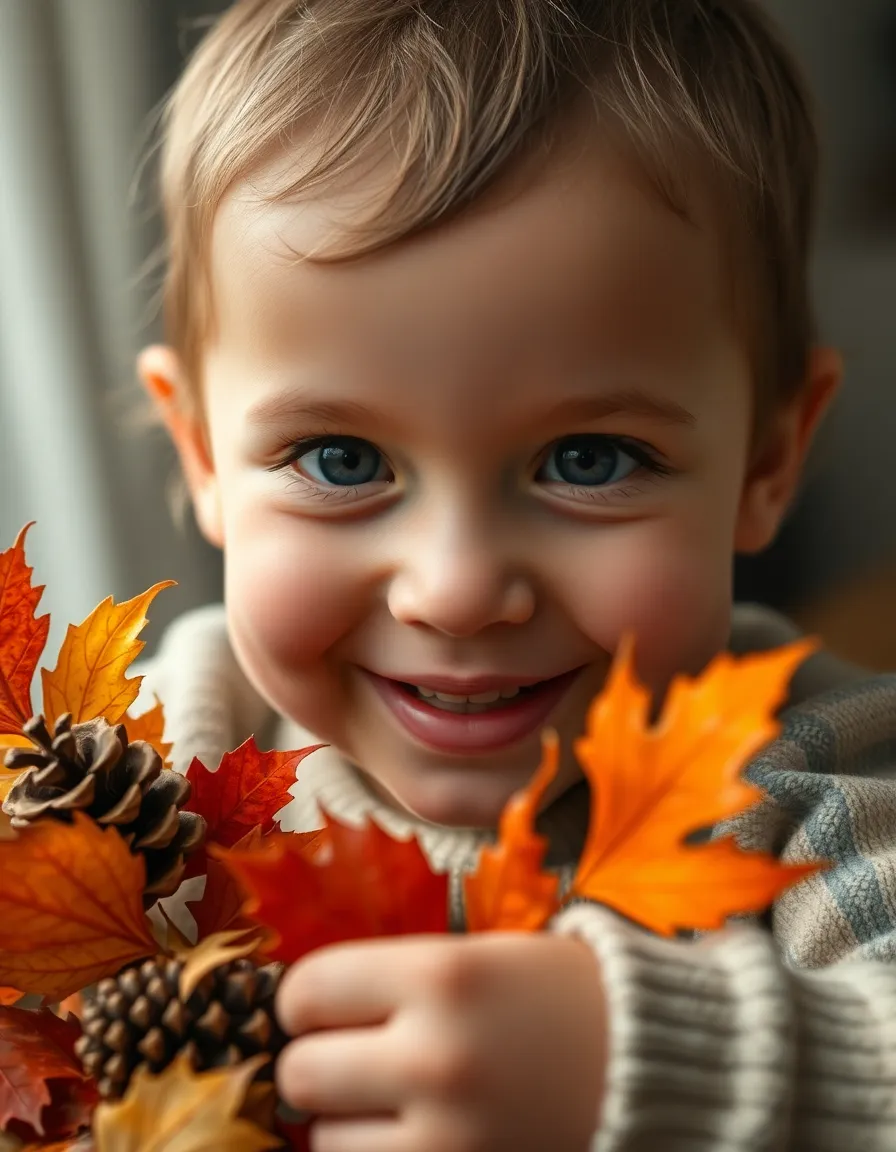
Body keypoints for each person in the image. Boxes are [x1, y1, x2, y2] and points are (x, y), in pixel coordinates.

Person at [136, 1, 896, 1147]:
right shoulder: (160, 775)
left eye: (587, 461)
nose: (451, 589)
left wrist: (650, 1072)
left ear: (765, 460)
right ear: (199, 454)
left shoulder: (812, 791)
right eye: (340, 460)